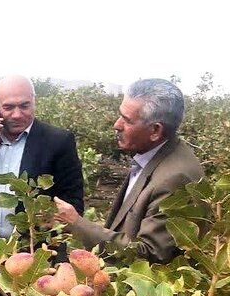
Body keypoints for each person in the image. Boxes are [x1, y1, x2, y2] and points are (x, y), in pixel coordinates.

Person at [54, 78, 203, 263]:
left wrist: (77, 224)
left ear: (155, 130)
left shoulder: (175, 178)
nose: (117, 125)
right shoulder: (154, 157)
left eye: (127, 120)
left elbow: (150, 255)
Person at [0, 75, 84, 242]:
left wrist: (50, 216)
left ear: (34, 102)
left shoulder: (58, 142)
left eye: (24, 106)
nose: (17, 115)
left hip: (32, 252)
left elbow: (74, 203)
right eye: (8, 107)